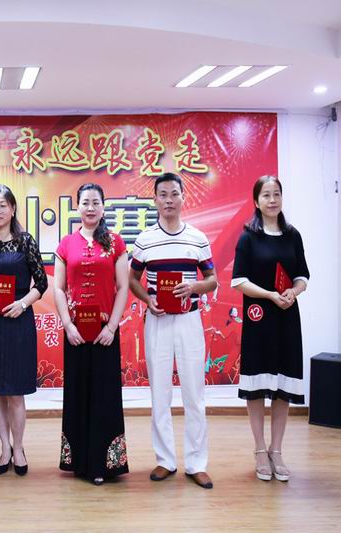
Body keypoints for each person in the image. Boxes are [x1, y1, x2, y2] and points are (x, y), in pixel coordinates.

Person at [129, 172, 218, 489]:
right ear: (155, 199)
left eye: (174, 194)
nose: (168, 200)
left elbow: (212, 281)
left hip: (189, 320)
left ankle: (196, 463)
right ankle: (165, 460)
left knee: (195, 394)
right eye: (163, 194)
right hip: (158, 321)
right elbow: (132, 280)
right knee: (160, 394)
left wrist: (193, 287)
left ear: (183, 198)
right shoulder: (144, 240)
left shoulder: (197, 238)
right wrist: (147, 300)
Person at [231, 175, 309, 482]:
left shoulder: (293, 235)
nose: (272, 200)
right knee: (257, 385)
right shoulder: (248, 237)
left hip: (287, 315)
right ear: (256, 201)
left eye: (276, 194)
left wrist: (293, 292)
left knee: (283, 385)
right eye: (266, 195)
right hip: (259, 317)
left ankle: (277, 450)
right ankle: (260, 449)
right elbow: (239, 281)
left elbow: (302, 276)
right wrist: (269, 295)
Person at [53, 183, 129, 485]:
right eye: (85, 202)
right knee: (78, 394)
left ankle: (103, 465)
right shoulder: (66, 244)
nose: (90, 208)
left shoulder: (115, 242)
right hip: (75, 333)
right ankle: (79, 463)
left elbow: (123, 287)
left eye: (96, 202)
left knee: (104, 397)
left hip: (104, 333)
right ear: (77, 207)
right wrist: (67, 325)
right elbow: (58, 288)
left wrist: (112, 327)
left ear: (103, 207)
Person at [0, 184, 48, 476]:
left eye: (3, 205)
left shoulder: (25, 241)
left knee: (16, 393)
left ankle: (18, 447)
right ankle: (4, 447)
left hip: (19, 321)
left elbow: (42, 283)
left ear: (13, 208)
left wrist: (22, 303)